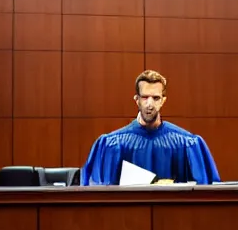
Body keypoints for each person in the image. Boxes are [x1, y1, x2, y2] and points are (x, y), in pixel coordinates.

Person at [81, 70, 220, 185]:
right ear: (137, 100)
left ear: (163, 100)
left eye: (156, 98)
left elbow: (205, 193)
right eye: (145, 97)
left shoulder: (186, 143)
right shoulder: (112, 144)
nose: (150, 104)